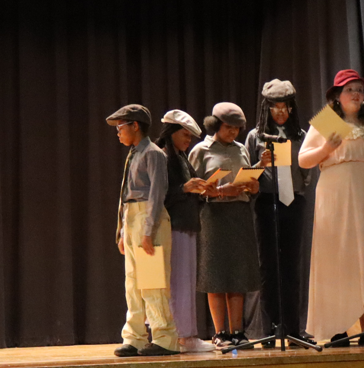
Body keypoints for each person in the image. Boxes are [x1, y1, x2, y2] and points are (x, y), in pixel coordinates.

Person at [298, 69, 364, 346]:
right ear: (337, 95)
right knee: (340, 260)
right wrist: (326, 149)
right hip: (337, 199)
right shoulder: (327, 120)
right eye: (350, 90)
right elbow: (303, 160)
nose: (357, 94)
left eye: (360, 89)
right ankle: (337, 327)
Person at [244, 80, 313, 347]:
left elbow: (306, 172)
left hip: (294, 203)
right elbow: (247, 176)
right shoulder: (255, 136)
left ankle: (293, 328)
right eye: (275, 107)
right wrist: (259, 165)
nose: (281, 113)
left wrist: (297, 190)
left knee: (291, 268)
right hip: (266, 201)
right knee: (268, 267)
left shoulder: (300, 135)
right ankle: (270, 329)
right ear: (267, 107)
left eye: (285, 107)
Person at [107, 104, 178, 357]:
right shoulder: (134, 153)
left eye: (120, 127)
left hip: (150, 218)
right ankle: (135, 337)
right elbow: (125, 195)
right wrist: (122, 231)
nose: (118, 132)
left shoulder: (153, 153)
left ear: (135, 126)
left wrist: (148, 231)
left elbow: (157, 195)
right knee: (134, 284)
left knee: (153, 282)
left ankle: (164, 337)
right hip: (133, 219)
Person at [189, 103, 261, 350]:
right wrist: (219, 191)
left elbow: (250, 184)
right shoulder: (201, 150)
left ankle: (238, 331)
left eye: (237, 128)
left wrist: (253, 187)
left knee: (238, 274)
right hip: (213, 215)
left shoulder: (241, 150)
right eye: (229, 127)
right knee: (215, 275)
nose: (233, 133)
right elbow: (193, 191)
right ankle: (220, 333)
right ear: (215, 125)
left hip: (239, 214)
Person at [155, 110, 214, 353]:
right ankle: (181, 336)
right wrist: (185, 188)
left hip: (187, 226)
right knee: (178, 283)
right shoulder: (163, 157)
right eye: (185, 135)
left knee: (185, 282)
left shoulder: (180, 157)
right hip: (173, 227)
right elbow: (158, 197)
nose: (188, 140)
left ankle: (185, 334)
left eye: (190, 136)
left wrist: (200, 190)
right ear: (171, 134)